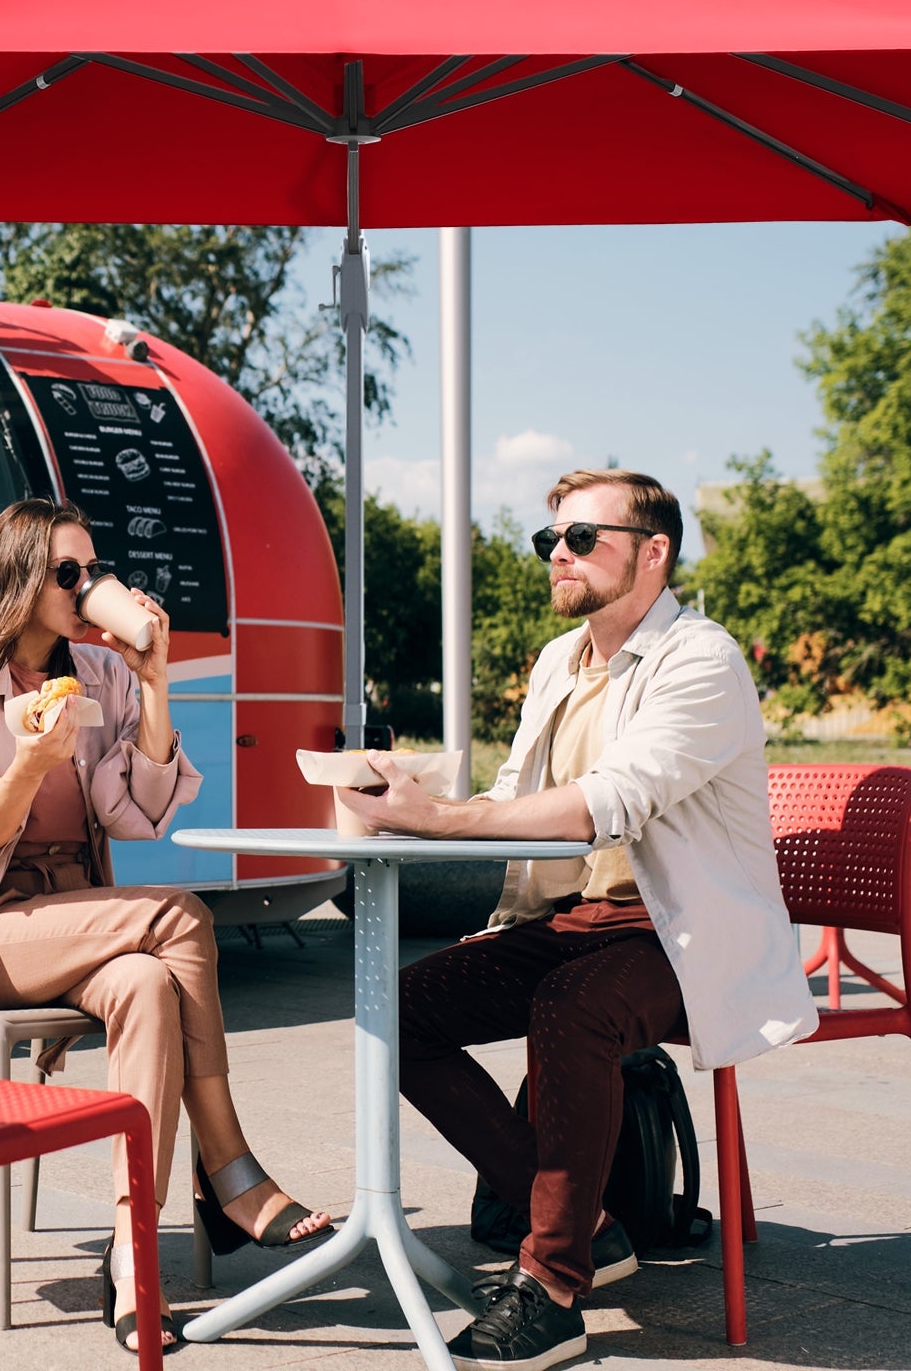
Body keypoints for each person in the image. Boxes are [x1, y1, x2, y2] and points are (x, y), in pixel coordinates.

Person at [337, 469, 816, 1371]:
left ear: (653, 552)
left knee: (572, 1007)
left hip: (678, 930)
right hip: (572, 917)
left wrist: (441, 820)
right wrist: (413, 798)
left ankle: (553, 1289)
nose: (558, 553)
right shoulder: (561, 662)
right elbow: (521, 799)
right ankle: (588, 1225)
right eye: (549, 539)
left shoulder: (701, 659)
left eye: (582, 538)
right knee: (396, 1011)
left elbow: (611, 801)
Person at [0, 497, 330, 1353]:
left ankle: (134, 1263)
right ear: (18, 575)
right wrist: (28, 765)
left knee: (147, 981)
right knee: (180, 915)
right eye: (67, 573)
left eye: (92, 571)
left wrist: (158, 678)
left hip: (81, 917)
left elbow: (146, 816)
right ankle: (230, 1168)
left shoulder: (100, 675)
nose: (85, 586)